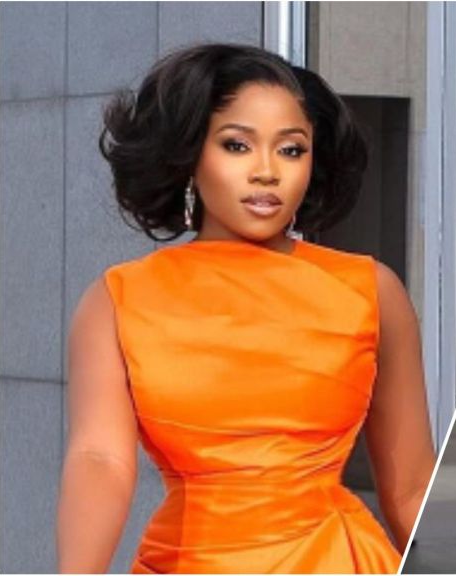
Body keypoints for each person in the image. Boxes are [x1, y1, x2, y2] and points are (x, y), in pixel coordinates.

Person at [56, 44, 436, 573]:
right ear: (191, 154)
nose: (266, 171)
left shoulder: (371, 291)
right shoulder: (117, 299)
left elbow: (413, 486)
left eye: (291, 150)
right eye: (237, 145)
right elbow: (100, 460)